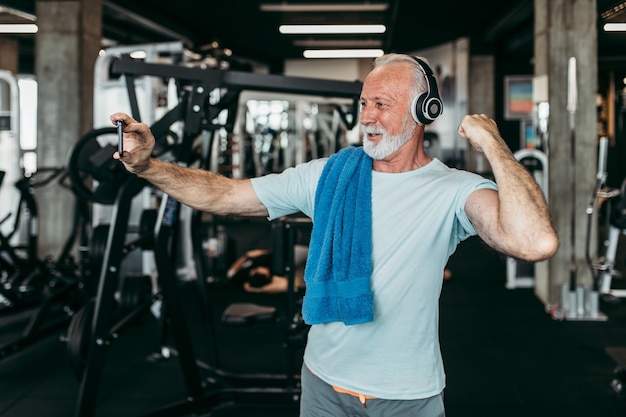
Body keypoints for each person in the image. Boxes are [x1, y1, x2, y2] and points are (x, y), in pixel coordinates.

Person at [110, 53, 558, 417]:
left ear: (425, 111)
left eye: (382, 104)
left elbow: (534, 242)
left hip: (405, 395)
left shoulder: (455, 190)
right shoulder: (329, 175)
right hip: (323, 382)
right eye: (364, 103)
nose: (367, 116)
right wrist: (149, 167)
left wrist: (494, 144)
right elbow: (226, 195)